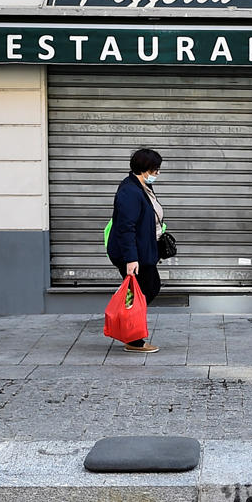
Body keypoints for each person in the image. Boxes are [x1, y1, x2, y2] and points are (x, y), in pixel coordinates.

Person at [106, 147, 165, 353]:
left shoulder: (141, 186)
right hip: (133, 254)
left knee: (146, 289)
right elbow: (126, 228)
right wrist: (131, 259)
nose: (158, 173)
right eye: (155, 169)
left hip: (142, 251)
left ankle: (129, 327)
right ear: (145, 168)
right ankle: (133, 338)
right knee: (146, 290)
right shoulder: (130, 191)